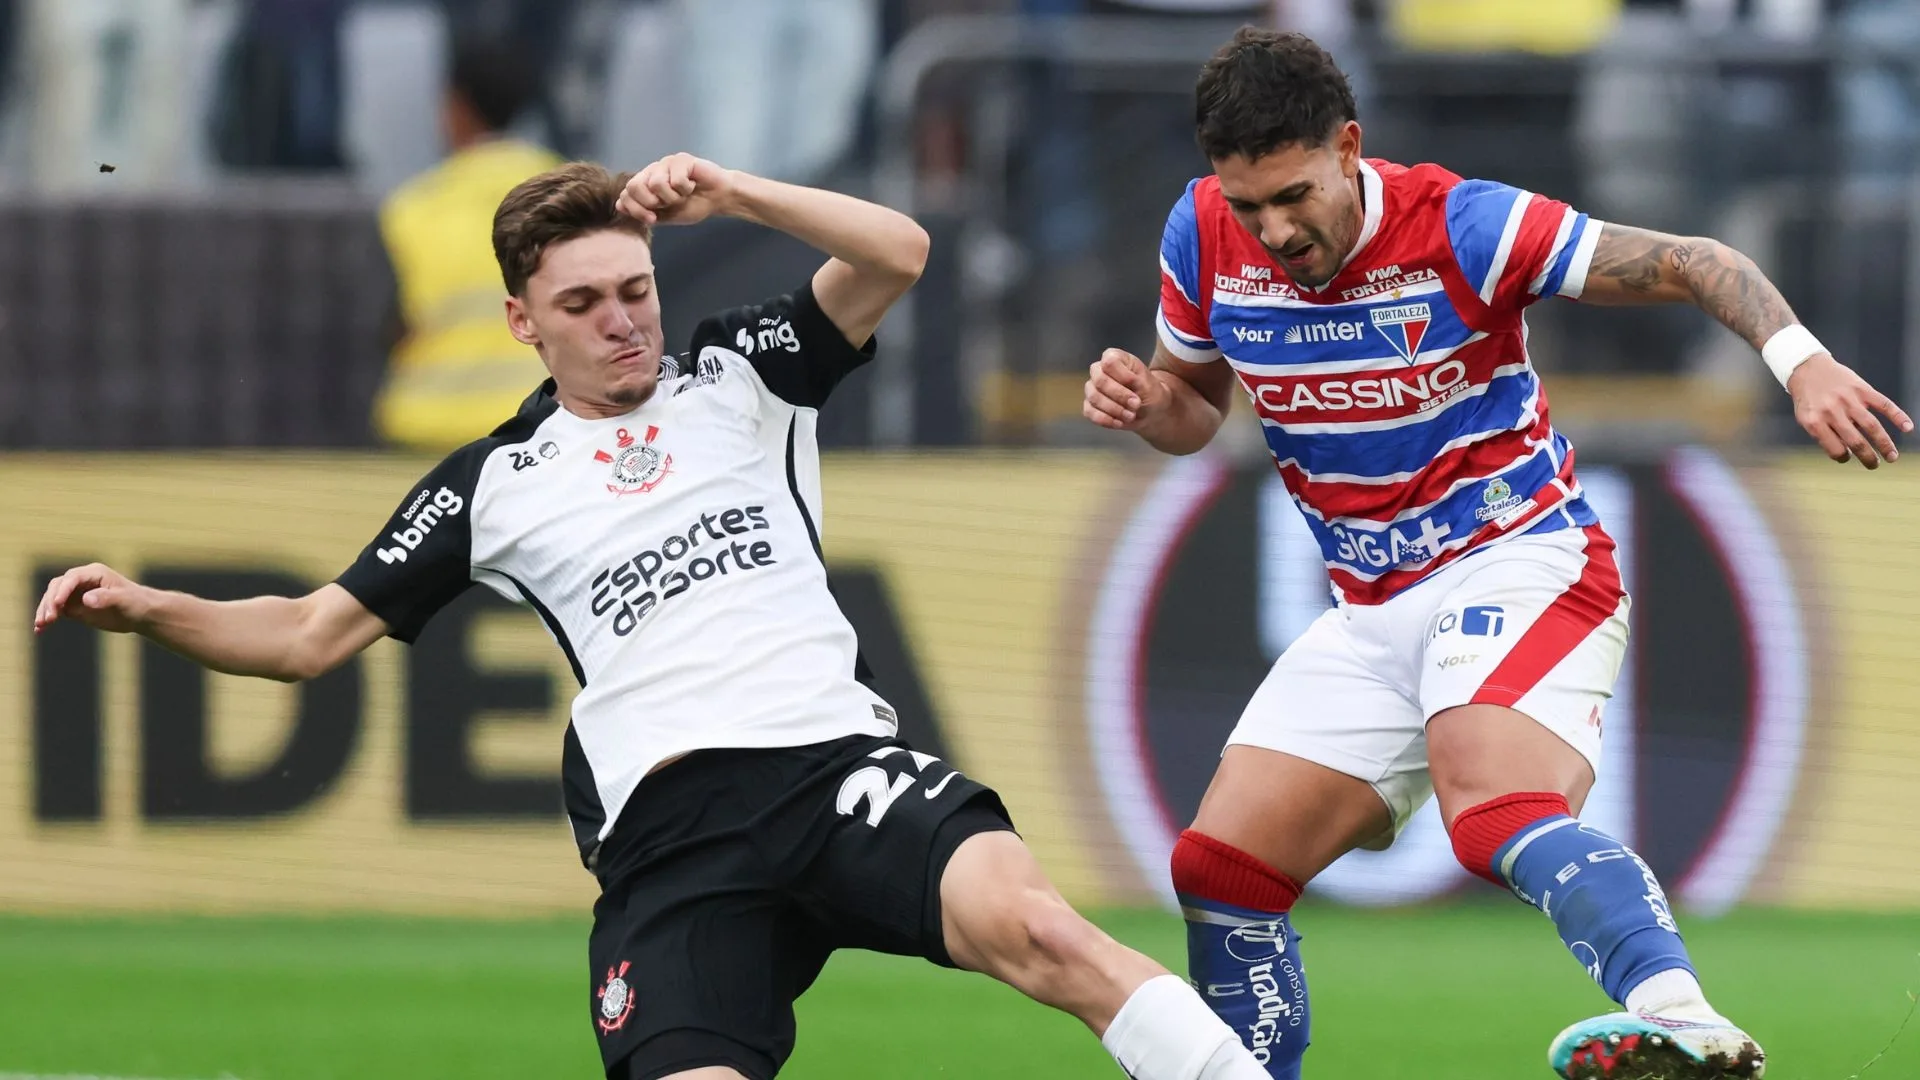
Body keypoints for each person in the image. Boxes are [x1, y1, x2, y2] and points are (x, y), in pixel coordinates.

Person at [35, 154, 1281, 1080]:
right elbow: (310, 636)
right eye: (582, 305)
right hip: (673, 841)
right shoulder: (492, 486)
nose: (624, 319)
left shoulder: (744, 378)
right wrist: (151, 610)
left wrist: (736, 194)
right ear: (524, 324)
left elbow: (899, 250)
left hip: (833, 767)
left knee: (1038, 926)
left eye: (634, 289)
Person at [1082, 28, 1911, 1080]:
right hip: (1371, 605)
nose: (1275, 231)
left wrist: (1802, 365)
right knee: (1222, 868)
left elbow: (1700, 263)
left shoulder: (1464, 224)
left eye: (1294, 196)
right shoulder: (1202, 236)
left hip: (1522, 560)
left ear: (1349, 145)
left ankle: (1686, 1020)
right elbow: (1194, 408)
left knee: (1494, 816)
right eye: (1250, 206)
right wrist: (1148, 403)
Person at [373, 35, 564, 453]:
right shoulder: (571, 197)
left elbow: (389, 326)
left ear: (456, 105)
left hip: (427, 432)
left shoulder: (413, 208)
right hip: (541, 424)